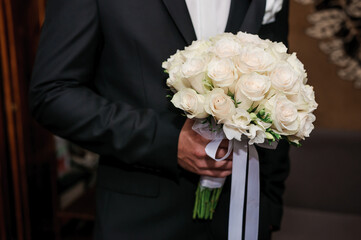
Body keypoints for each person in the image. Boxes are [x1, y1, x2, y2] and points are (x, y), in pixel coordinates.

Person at [29, 0, 290, 239]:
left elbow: (279, 85)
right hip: (142, 218)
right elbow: (53, 93)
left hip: (241, 214)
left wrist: (270, 203)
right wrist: (165, 141)